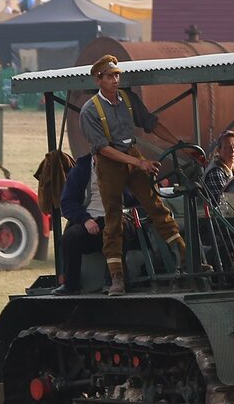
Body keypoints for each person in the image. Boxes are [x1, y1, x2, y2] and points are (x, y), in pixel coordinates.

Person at [79, 54, 188, 296]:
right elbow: (103, 148)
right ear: (99, 80)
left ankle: (184, 256)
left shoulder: (129, 100)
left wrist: (181, 144)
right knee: (114, 218)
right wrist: (139, 163)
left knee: (156, 205)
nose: (115, 80)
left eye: (117, 75)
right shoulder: (90, 111)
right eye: (109, 76)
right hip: (110, 163)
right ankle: (117, 277)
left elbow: (152, 123)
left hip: (131, 154)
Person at [52, 153, 117, 295]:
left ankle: (113, 280)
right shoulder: (81, 170)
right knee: (70, 238)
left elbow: (134, 195)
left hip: (117, 217)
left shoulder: (123, 168)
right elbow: (67, 202)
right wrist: (85, 219)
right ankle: (71, 283)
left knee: (119, 231)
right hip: (91, 219)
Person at [203, 130, 234, 208]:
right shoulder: (215, 171)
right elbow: (224, 201)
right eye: (228, 148)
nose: (233, 151)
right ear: (219, 150)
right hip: (216, 217)